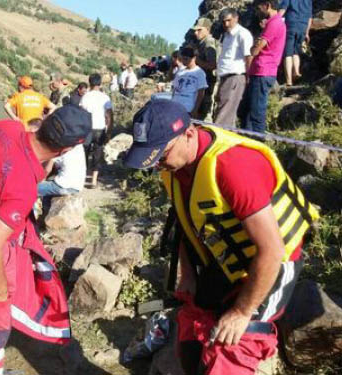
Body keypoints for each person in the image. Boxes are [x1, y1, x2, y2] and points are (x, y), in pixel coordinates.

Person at [123, 99, 319, 375]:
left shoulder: (233, 166)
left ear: (188, 134)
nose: (157, 165)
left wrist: (242, 312)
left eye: (161, 155)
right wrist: (188, 274)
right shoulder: (174, 166)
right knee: (191, 321)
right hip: (230, 257)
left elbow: (272, 250)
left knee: (235, 344)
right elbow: (185, 222)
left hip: (275, 261)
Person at [0, 105, 92, 375]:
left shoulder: (6, 127)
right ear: (66, 150)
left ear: (47, 120)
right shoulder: (22, 186)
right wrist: (1, 292)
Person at [240, 0, 287, 133]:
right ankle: (248, 143)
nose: (257, 12)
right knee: (246, 111)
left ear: (267, 6)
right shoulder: (272, 23)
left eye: (258, 8)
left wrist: (256, 45)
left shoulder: (274, 23)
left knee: (256, 113)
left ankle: (258, 144)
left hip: (263, 72)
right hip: (258, 71)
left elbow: (254, 50)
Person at [214, 8, 254, 126]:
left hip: (235, 76)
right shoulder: (226, 35)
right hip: (225, 76)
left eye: (228, 21)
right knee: (224, 110)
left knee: (224, 114)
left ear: (236, 18)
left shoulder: (242, 34)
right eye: (223, 22)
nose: (226, 24)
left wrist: (248, 76)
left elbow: (249, 56)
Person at [80, 73, 113, 188]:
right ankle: (93, 181)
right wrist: (109, 131)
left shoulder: (86, 96)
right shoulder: (105, 97)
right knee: (97, 153)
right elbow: (109, 116)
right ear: (100, 83)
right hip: (100, 128)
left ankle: (82, 177)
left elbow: (82, 113)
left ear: (90, 83)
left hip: (87, 129)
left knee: (84, 152)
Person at [279, 0, 313, 86]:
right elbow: (310, 17)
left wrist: (273, 21)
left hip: (291, 25)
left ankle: (289, 80)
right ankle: (296, 71)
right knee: (296, 51)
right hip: (303, 26)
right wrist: (307, 32)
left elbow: (282, 11)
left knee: (288, 54)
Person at [192, 18, 218, 121]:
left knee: (205, 116)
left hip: (208, 85)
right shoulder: (202, 43)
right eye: (195, 30)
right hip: (202, 84)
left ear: (207, 29)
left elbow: (212, 65)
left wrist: (196, 61)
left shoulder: (208, 42)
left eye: (199, 30)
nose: (195, 33)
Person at [172, 47, 208, 118]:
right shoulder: (180, 71)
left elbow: (201, 93)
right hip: (175, 105)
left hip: (188, 107)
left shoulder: (199, 73)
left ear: (194, 58)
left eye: (186, 59)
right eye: (182, 59)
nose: (184, 62)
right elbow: (174, 88)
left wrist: (195, 109)